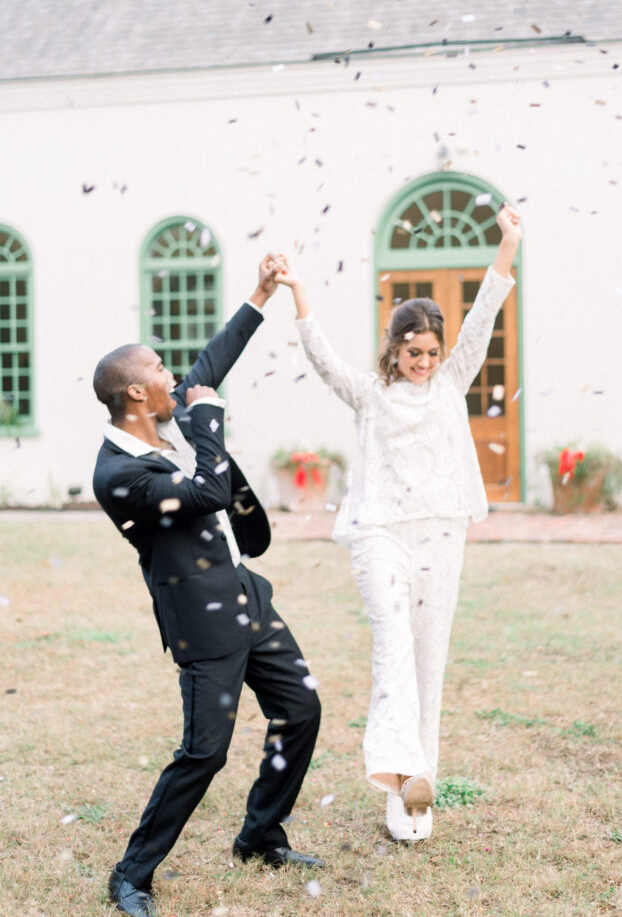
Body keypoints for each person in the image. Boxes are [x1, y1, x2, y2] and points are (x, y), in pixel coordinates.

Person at [274, 204, 521, 841]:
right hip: (379, 529)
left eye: (433, 352)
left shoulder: (452, 380)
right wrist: (299, 292)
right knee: (394, 644)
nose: (425, 362)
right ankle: (397, 771)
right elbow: (324, 358)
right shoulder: (369, 391)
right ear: (395, 347)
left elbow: (483, 318)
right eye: (414, 352)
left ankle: (416, 793)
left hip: (441, 529)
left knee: (429, 656)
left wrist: (507, 246)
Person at [92, 256, 322, 917]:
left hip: (247, 593)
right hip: (202, 618)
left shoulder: (162, 415)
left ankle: (259, 836)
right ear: (137, 394)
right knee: (204, 752)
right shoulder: (117, 475)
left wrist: (261, 292)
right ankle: (132, 874)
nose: (175, 376)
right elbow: (209, 490)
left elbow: (213, 363)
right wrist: (210, 419)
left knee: (301, 711)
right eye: (161, 370)